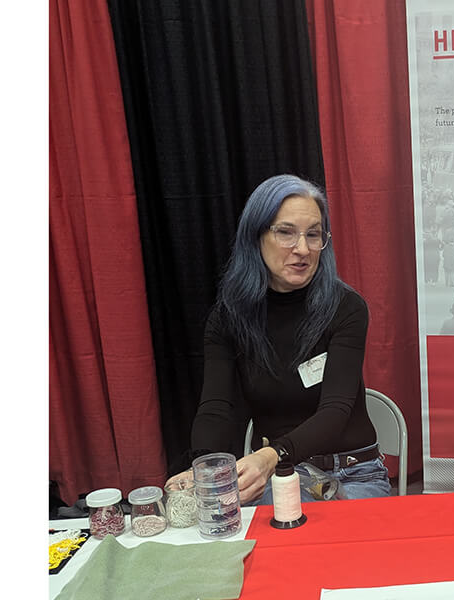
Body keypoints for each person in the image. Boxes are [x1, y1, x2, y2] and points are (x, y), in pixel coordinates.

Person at [165, 175, 391, 503]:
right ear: (255, 236)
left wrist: (268, 456)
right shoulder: (228, 318)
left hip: (353, 472)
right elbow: (216, 407)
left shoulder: (346, 307)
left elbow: (335, 410)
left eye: (313, 235)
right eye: (286, 233)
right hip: (284, 474)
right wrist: (201, 466)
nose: (302, 249)